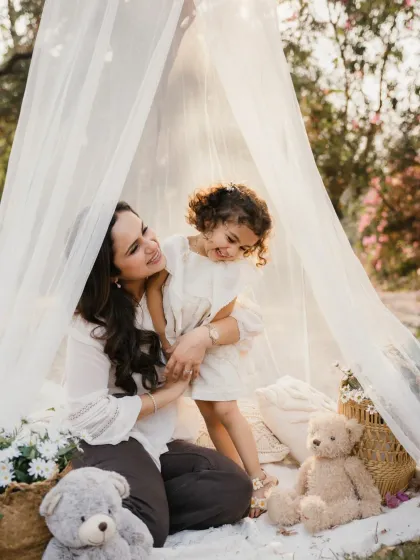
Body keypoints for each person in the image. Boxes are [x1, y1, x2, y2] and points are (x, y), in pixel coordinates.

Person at [65, 201, 264, 548]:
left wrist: (202, 336)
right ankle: (134, 506)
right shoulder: (90, 323)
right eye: (134, 248)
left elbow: (249, 319)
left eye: (144, 230)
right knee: (150, 528)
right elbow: (86, 415)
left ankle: (137, 501)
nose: (151, 245)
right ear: (111, 272)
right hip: (111, 437)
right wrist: (169, 395)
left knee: (235, 488)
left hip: (157, 436)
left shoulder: (173, 277)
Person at [147, 182, 277, 518]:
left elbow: (222, 313)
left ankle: (259, 476)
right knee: (209, 414)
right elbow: (154, 291)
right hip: (173, 341)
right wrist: (164, 338)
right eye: (231, 239)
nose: (232, 251)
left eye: (243, 247)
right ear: (209, 220)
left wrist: (202, 344)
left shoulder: (231, 270)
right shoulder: (176, 250)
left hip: (212, 349)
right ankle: (237, 478)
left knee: (226, 410)